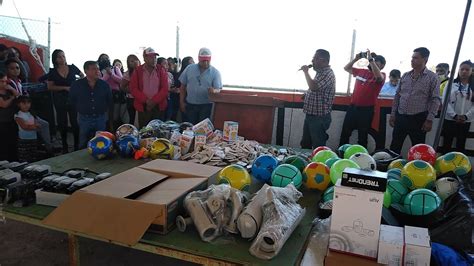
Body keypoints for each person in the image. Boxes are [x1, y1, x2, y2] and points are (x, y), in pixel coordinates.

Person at [389, 47, 441, 154]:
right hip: (401, 116)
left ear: (425, 59)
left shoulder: (432, 77)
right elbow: (397, 96)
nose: (412, 60)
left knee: (419, 150)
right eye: (412, 58)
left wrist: (429, 119)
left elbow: (435, 99)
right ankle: (391, 168)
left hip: (419, 119)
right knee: (394, 147)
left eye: (416, 58)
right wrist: (393, 114)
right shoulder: (405, 76)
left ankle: (417, 170)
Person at [339, 51, 386, 148]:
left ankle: (362, 158)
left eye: (377, 61)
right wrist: (356, 59)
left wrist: (371, 60)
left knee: (363, 136)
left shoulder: (382, 75)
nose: (372, 62)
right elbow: (346, 68)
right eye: (373, 60)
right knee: (345, 133)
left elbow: (378, 77)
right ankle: (341, 153)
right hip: (353, 108)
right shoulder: (362, 71)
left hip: (366, 110)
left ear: (382, 66)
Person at [47, 49, 84, 153]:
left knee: (74, 122)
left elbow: (82, 75)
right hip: (59, 99)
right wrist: (64, 88)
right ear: (55, 59)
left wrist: (77, 85)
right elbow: (50, 87)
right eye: (59, 57)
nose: (62, 58)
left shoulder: (72, 67)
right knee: (62, 123)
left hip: (73, 98)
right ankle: (65, 147)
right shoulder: (53, 71)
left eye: (63, 56)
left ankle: (77, 146)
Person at [69, 61, 112, 149]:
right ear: (86, 71)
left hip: (100, 117)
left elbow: (110, 102)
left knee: (101, 143)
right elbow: (72, 101)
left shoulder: (105, 85)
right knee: (83, 142)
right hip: (84, 118)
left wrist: (108, 118)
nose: (97, 71)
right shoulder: (77, 85)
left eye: (98, 69)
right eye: (93, 69)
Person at [300, 49, 336, 149]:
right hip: (311, 115)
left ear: (324, 61)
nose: (312, 61)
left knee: (318, 145)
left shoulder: (327, 74)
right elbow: (316, 89)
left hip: (319, 117)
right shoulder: (320, 73)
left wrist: (306, 72)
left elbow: (314, 87)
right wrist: (307, 94)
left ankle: (319, 164)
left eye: (315, 58)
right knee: (305, 143)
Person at [179, 48, 222, 124]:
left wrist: (214, 90)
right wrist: (181, 102)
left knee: (203, 129)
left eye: (207, 61)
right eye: (203, 61)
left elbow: (219, 89)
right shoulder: (189, 68)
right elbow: (182, 86)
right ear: (199, 59)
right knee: (189, 128)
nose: (205, 63)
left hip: (206, 106)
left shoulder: (215, 72)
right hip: (190, 105)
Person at [130, 47, 169, 128]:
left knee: (158, 131)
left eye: (155, 57)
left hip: (158, 106)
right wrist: (146, 101)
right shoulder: (138, 71)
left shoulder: (161, 70)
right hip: (143, 107)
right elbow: (133, 89)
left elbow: (165, 89)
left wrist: (154, 101)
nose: (154, 59)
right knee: (144, 131)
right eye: (151, 57)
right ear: (144, 58)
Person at [441, 60, 474, 153]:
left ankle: (459, 167)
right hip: (450, 120)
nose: (464, 71)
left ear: (471, 71)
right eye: (462, 69)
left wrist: (466, 116)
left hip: (466, 120)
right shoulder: (451, 83)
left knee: (460, 146)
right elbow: (445, 101)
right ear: (458, 70)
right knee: (446, 145)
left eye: (467, 69)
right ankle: (445, 167)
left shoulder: (473, 86)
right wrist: (454, 115)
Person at [14, 95, 52, 162]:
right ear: (18, 104)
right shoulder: (18, 115)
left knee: (33, 157)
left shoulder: (31, 114)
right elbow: (24, 127)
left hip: (33, 138)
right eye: (24, 103)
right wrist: (35, 126)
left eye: (28, 103)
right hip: (24, 140)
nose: (26, 105)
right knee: (24, 158)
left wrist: (37, 126)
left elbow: (37, 124)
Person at [102, 57, 126, 130]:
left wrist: (111, 74)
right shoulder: (102, 71)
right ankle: (108, 131)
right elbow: (102, 81)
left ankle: (116, 131)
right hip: (106, 94)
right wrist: (107, 74)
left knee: (115, 116)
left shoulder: (116, 69)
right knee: (107, 115)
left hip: (116, 94)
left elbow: (121, 80)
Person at [0, 71, 19, 161]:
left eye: (5, 81)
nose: (4, 83)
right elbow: (4, 104)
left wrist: (11, 89)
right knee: (4, 144)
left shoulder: (8, 90)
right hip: (2, 122)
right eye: (1, 81)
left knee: (13, 142)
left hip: (12, 119)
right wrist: (11, 98)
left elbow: (17, 95)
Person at [120, 54, 141, 126]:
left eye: (136, 60)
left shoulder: (143, 72)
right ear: (128, 63)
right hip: (131, 99)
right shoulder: (127, 74)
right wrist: (134, 91)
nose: (134, 62)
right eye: (131, 61)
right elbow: (122, 87)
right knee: (132, 119)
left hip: (142, 99)